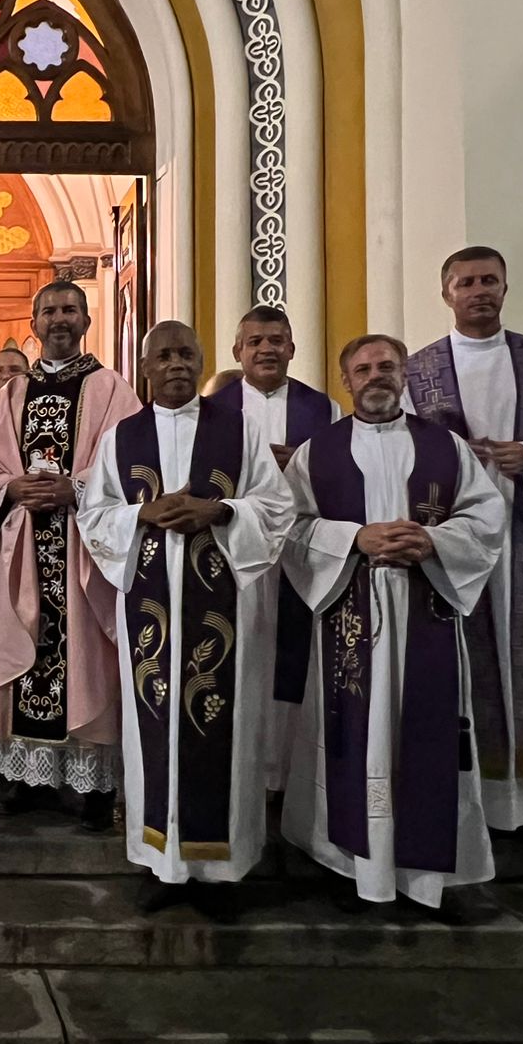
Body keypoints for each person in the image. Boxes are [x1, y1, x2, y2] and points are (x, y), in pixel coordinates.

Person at [282, 334, 507, 911]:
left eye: (387, 366)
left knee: (423, 733)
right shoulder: (317, 453)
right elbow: (292, 529)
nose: (376, 376)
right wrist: (354, 537)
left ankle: (423, 873)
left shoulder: (447, 448)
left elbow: (485, 517)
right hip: (350, 613)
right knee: (354, 733)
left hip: (424, 605)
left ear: (404, 375)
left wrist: (431, 539)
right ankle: (355, 862)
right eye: (363, 368)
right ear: (345, 381)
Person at [77, 320, 292, 914]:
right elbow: (94, 516)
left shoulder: (238, 431)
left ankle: (221, 867)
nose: (176, 364)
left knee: (225, 726)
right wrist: (142, 517)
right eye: (164, 355)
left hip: (223, 609)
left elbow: (277, 507)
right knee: (153, 732)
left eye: (186, 355)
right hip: (151, 609)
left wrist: (218, 510)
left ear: (202, 363)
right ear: (144, 367)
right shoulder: (122, 438)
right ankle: (159, 860)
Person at [404, 246, 523, 846]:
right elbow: (402, 447)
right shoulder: (419, 370)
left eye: (489, 280)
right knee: (465, 669)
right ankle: (469, 804)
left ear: (505, 289)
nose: (478, 291)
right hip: (454, 545)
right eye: (466, 282)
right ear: (447, 294)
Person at [0, 281, 140, 831]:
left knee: (87, 658)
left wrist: (77, 487)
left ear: (88, 320)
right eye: (49, 311)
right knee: (29, 645)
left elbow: (132, 463)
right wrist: (12, 490)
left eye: (70, 310)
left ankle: (94, 784)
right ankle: (29, 778)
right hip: (26, 547)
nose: (59, 319)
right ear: (34, 322)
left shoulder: (112, 389)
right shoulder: (11, 395)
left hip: (84, 549)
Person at [208, 305, 342, 791]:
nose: (266, 349)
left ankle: (287, 774)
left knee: (290, 654)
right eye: (255, 341)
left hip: (295, 552)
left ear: (292, 348)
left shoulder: (322, 408)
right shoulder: (214, 407)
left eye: (276, 340)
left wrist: (299, 465)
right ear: (237, 351)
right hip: (233, 549)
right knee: (240, 649)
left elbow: (337, 476)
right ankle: (238, 768)